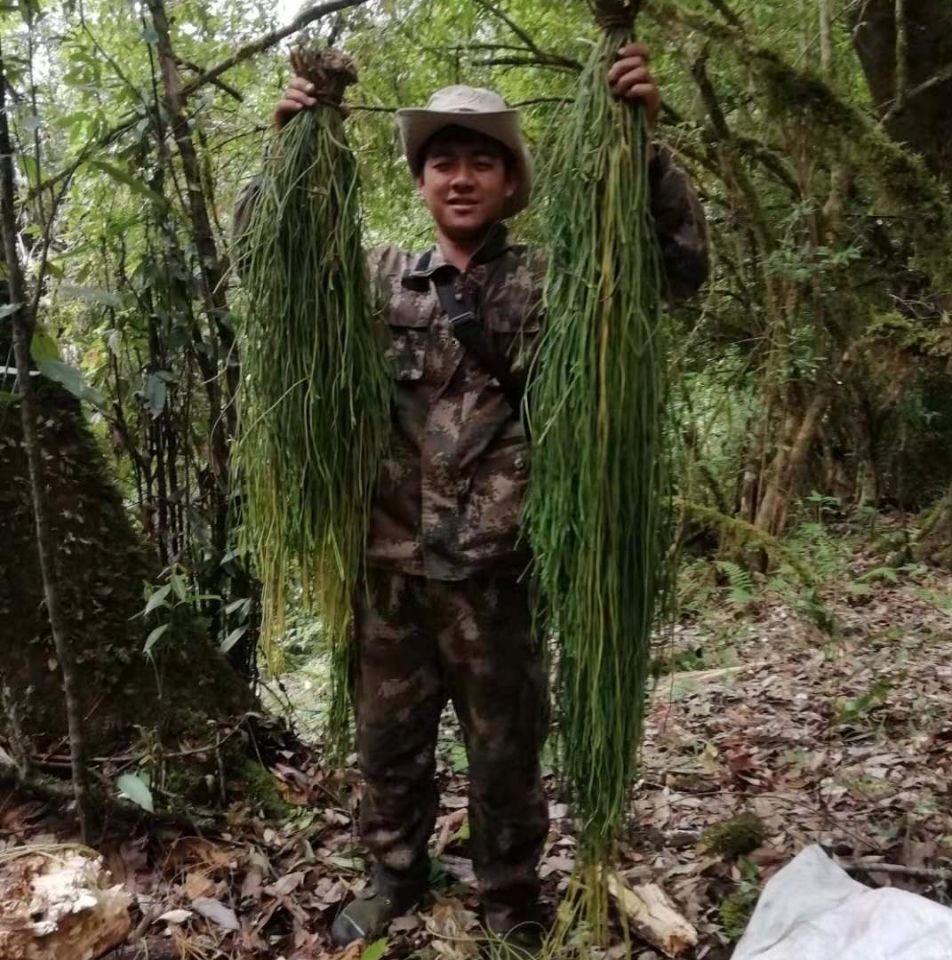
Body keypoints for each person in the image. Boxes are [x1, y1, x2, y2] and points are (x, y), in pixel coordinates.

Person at [240, 42, 709, 950]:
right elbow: (274, 268)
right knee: (388, 744)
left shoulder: (556, 280)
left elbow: (674, 273)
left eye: (481, 160)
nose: (461, 178)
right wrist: (286, 146)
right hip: (391, 566)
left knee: (506, 750)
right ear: (420, 181)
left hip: (501, 568)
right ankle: (393, 876)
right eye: (443, 161)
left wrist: (644, 154)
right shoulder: (375, 279)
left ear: (509, 179)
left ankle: (508, 890)